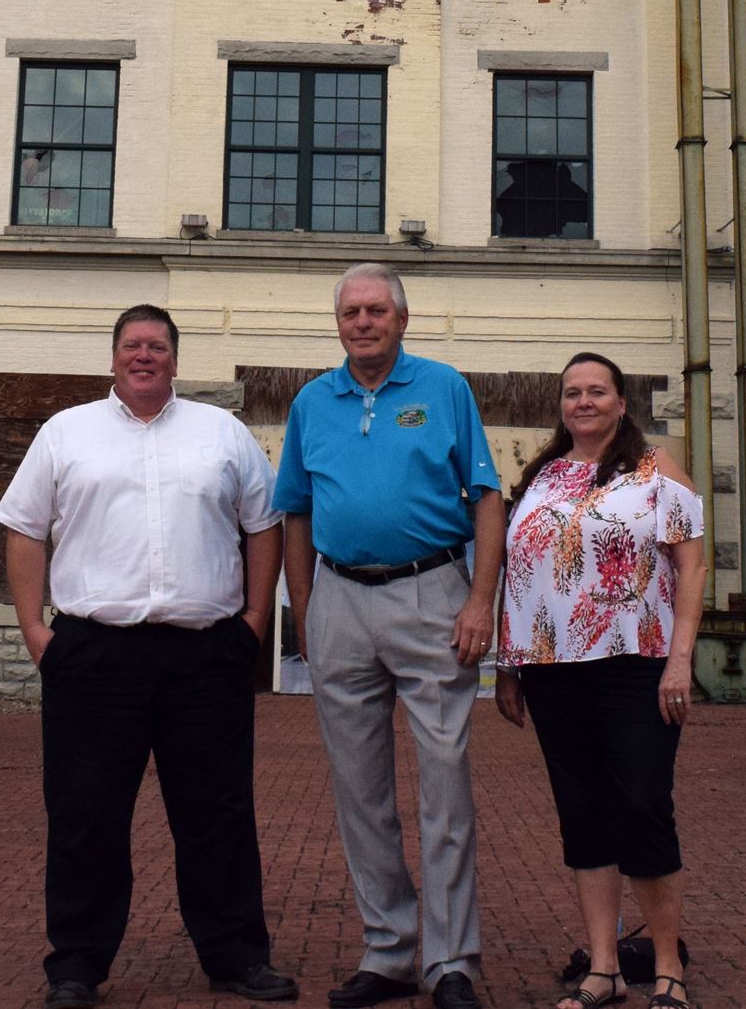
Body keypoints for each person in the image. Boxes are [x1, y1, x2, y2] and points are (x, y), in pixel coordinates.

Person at [0, 304, 299, 1007]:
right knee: (85, 812)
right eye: (132, 344)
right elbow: (23, 529)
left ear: (173, 358)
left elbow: (263, 526)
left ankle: (235, 954)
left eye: (157, 346)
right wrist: (35, 631)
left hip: (205, 657)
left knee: (217, 811)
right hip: (93, 656)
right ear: (112, 357)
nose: (144, 355)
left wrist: (254, 621)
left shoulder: (220, 433)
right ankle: (75, 963)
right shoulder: (64, 433)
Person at [275, 262, 504, 1009]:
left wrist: (479, 600)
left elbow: (487, 499)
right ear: (338, 322)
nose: (363, 322)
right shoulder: (313, 401)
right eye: (351, 311)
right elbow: (297, 512)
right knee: (358, 788)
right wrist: (306, 610)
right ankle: (389, 949)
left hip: (432, 592)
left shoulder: (444, 388)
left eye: (377, 310)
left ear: (402, 319)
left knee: (444, 780)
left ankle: (451, 962)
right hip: (339, 598)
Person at [492, 352, 707, 1009]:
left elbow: (692, 567)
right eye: (572, 392)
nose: (583, 401)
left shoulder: (657, 469)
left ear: (621, 401)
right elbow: (519, 574)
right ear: (562, 404)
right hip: (552, 668)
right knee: (582, 811)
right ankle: (604, 966)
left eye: (597, 391)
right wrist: (508, 665)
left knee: (642, 803)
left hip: (636, 662)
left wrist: (680, 656)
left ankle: (667, 965)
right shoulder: (542, 475)